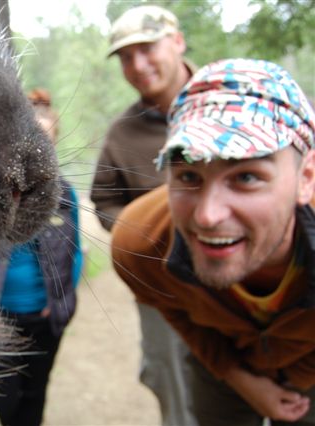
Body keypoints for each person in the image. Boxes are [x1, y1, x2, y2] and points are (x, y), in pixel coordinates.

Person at [112, 58, 315, 426]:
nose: (207, 216)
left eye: (247, 177)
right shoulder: (140, 245)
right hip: (222, 356)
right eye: (188, 175)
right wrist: (238, 378)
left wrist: (295, 379)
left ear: (306, 178)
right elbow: (174, 309)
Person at [89, 5, 197, 425]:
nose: (137, 65)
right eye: (125, 57)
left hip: (246, 280)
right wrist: (145, 233)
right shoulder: (123, 133)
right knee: (172, 383)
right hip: (164, 288)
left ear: (177, 41)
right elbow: (104, 200)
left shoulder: (230, 99)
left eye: (146, 49)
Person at [0, 88, 83, 426]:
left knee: (34, 394)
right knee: (2, 398)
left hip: (44, 314)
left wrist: (61, 297)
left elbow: (74, 250)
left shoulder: (65, 195)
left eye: (45, 144)